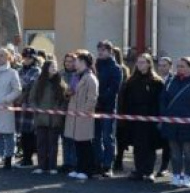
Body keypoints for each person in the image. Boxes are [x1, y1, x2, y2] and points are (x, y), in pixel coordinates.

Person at [118, 53, 164, 182]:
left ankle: (149, 171)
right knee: (137, 145)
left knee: (150, 145)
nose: (140, 65)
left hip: (151, 118)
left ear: (149, 64)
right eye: (138, 62)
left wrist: (157, 117)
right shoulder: (131, 81)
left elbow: (160, 101)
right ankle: (139, 170)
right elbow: (125, 100)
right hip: (135, 118)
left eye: (143, 62)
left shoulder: (156, 82)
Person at [159, 57, 190, 188]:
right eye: (178, 66)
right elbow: (163, 100)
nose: (180, 69)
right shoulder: (170, 81)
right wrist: (165, 115)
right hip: (171, 123)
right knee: (175, 152)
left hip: (189, 125)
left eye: (183, 66)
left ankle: (188, 176)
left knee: (188, 152)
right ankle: (176, 175)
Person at [28, 58, 68, 175]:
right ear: (46, 68)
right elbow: (32, 98)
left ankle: (52, 166)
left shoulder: (61, 82)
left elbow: (65, 99)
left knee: (53, 144)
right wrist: (36, 109)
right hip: (41, 118)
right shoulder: (39, 82)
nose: (54, 68)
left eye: (55, 66)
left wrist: (60, 110)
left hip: (55, 119)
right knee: (41, 143)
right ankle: (41, 166)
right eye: (52, 66)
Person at [64, 52, 99, 181]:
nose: (74, 63)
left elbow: (92, 99)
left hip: (83, 117)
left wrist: (83, 112)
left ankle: (87, 170)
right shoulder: (76, 76)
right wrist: (68, 92)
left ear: (83, 62)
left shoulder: (90, 78)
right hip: (74, 116)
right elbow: (70, 93)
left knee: (85, 144)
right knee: (77, 144)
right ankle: (79, 168)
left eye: (77, 61)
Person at [94, 40, 123, 177]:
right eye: (99, 50)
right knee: (96, 137)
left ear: (110, 51)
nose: (100, 52)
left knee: (107, 137)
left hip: (108, 107)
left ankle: (107, 165)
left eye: (103, 50)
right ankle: (98, 163)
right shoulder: (95, 66)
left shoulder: (116, 68)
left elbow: (114, 89)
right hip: (95, 107)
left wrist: (100, 98)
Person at [16, 48, 42, 168]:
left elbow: (29, 86)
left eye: (29, 58)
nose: (26, 59)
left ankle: (28, 158)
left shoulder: (37, 71)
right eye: (25, 57)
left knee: (30, 133)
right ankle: (25, 157)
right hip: (20, 105)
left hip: (30, 104)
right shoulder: (19, 70)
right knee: (23, 133)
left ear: (34, 59)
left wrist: (21, 86)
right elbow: (17, 85)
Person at [112, 46, 132, 172]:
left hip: (121, 107)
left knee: (120, 137)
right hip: (114, 107)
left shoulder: (123, 69)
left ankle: (119, 160)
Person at [155, 56, 174, 177]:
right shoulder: (156, 79)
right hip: (155, 114)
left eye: (164, 65)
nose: (161, 68)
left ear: (170, 67)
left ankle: (164, 167)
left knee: (168, 143)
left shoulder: (173, 81)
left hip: (168, 116)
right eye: (160, 65)